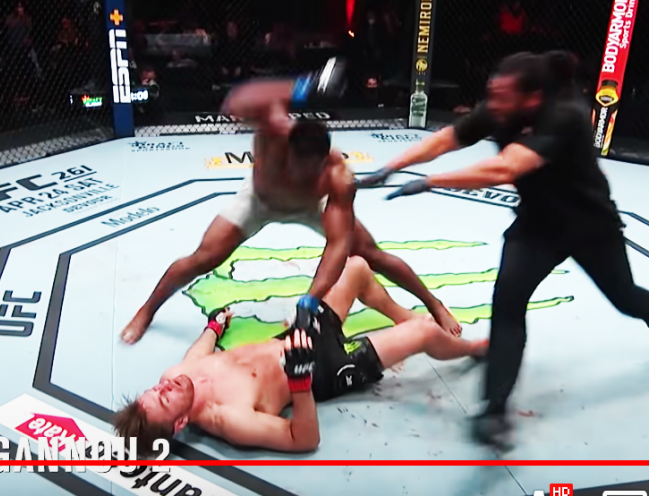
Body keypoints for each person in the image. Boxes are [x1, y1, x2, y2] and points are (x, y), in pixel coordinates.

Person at [361, 51, 649, 449]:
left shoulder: (563, 115)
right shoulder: (499, 109)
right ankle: (494, 409)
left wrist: (430, 182)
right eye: (492, 94)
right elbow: (448, 138)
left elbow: (505, 169)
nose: (492, 104)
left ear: (532, 97)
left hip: (589, 226)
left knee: (625, 299)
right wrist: (391, 167)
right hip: (537, 227)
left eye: (502, 96)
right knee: (508, 306)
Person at [121, 58, 462, 344]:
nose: (304, 172)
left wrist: (312, 298)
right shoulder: (273, 133)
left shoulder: (338, 177)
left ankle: (434, 304)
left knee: (371, 253)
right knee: (204, 257)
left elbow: (338, 245)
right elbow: (238, 99)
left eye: (314, 167)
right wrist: (302, 86)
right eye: (299, 165)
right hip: (259, 201)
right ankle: (146, 311)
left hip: (311, 206)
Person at [113, 256, 487, 455]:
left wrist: (213, 327)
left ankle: (399, 315)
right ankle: (471, 349)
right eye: (165, 398)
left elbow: (196, 355)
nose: (165, 386)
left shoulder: (175, 377)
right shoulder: (230, 419)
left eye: (155, 389)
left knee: (355, 267)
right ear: (180, 423)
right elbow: (303, 439)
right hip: (324, 370)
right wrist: (299, 381)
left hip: (296, 338)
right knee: (425, 333)